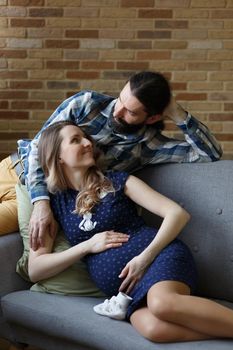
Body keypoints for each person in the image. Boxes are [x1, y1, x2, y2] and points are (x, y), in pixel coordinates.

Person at [28, 120, 233, 343]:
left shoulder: (118, 181)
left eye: (86, 137)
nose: (88, 143)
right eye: (76, 140)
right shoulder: (52, 205)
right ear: (58, 157)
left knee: (162, 304)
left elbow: (177, 214)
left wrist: (144, 259)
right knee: (154, 329)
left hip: (159, 257)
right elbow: (36, 270)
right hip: (125, 293)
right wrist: (88, 245)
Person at [0, 71, 222, 240]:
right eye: (120, 100)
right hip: (14, 168)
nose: (118, 111)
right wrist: (41, 203)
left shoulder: (148, 146)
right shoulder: (85, 104)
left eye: (131, 112)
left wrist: (177, 113)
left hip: (29, 196)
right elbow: (41, 149)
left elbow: (209, 153)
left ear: (152, 118)